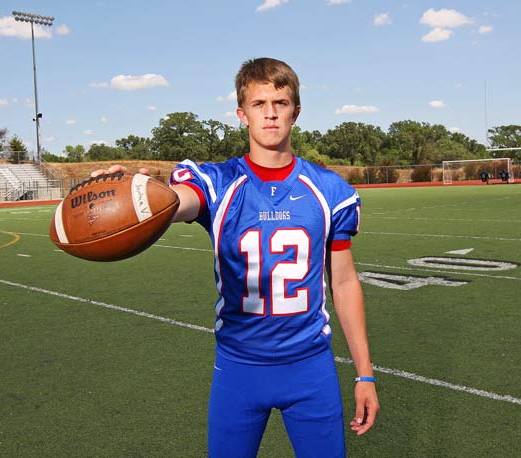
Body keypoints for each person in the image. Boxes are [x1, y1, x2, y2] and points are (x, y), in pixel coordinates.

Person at [93, 57, 379, 457]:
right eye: (259, 104)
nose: (271, 114)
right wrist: (132, 195)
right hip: (239, 368)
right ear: (242, 115)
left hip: (311, 368)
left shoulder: (330, 190)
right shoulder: (218, 182)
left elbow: (344, 282)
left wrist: (364, 373)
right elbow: (178, 202)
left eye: (280, 103)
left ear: (296, 111)